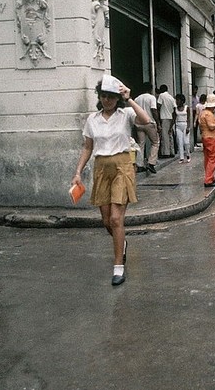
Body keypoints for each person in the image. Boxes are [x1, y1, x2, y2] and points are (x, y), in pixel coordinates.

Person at [72, 78, 152, 286]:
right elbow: (88, 148)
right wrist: (78, 172)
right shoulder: (92, 119)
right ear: (99, 96)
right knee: (107, 221)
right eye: (103, 96)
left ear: (117, 98)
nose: (107, 100)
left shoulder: (126, 115)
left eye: (111, 96)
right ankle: (121, 243)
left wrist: (130, 98)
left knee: (116, 219)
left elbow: (146, 121)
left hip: (122, 167)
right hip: (101, 169)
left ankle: (118, 266)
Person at [134, 83, 160, 174]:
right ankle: (151, 163)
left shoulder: (137, 99)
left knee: (141, 143)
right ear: (150, 89)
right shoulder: (151, 98)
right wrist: (158, 123)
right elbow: (154, 110)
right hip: (149, 122)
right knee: (155, 143)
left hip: (138, 123)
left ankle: (139, 164)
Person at [156, 84, 176, 158]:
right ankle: (172, 151)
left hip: (164, 117)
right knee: (169, 134)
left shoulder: (161, 95)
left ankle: (166, 153)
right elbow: (174, 109)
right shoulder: (171, 97)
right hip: (170, 117)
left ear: (161, 90)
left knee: (165, 136)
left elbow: (159, 105)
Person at [174, 94, 191, 163]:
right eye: (176, 100)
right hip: (178, 125)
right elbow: (174, 118)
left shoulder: (187, 108)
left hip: (185, 124)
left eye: (178, 100)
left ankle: (188, 154)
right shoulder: (175, 109)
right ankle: (181, 157)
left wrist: (188, 127)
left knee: (186, 142)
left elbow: (189, 118)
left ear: (182, 101)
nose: (177, 101)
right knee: (180, 142)